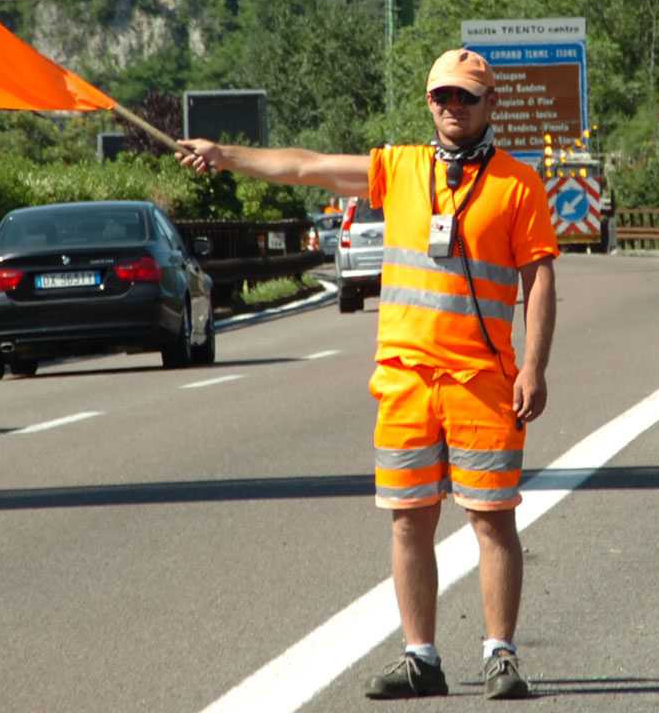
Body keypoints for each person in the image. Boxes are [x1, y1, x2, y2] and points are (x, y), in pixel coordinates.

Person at [176, 48, 559, 701]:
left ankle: (500, 654)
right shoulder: (400, 168)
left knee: (491, 518)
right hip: (406, 381)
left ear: (490, 104)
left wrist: (534, 365)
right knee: (409, 519)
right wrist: (227, 155)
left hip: (481, 381)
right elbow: (306, 166)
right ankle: (421, 658)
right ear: (428, 102)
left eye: (466, 97)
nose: (452, 107)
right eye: (442, 96)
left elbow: (540, 278)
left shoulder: (518, 184)